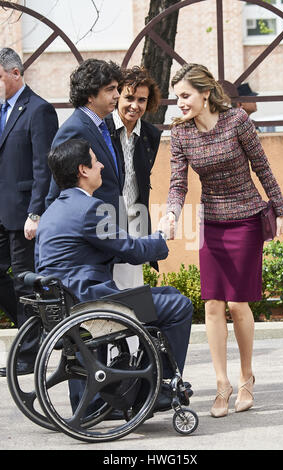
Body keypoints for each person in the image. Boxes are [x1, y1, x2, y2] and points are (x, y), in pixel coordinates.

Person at [161, 63, 283, 417]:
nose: (180, 103)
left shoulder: (236, 122)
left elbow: (262, 166)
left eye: (185, 95)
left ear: (205, 93)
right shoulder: (182, 134)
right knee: (212, 305)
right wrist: (172, 212)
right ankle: (222, 384)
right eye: (177, 97)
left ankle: (247, 378)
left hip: (246, 218)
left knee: (236, 304)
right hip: (212, 222)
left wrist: (279, 210)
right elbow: (177, 183)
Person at [35, 138, 193, 410]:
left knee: (168, 295)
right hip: (93, 307)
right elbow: (129, 249)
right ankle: (151, 391)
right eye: (96, 161)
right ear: (83, 170)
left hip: (69, 304)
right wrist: (161, 238)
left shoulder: (52, 212)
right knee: (179, 305)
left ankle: (102, 400)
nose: (102, 167)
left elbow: (103, 249)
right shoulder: (88, 210)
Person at [0, 48, 58, 377]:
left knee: (24, 283)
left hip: (24, 214)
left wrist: (36, 212)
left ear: (15, 74)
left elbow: (44, 168)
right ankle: (37, 331)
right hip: (0, 211)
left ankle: (29, 353)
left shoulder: (39, 110)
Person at [45, 59, 124, 221]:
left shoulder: (104, 125)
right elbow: (57, 190)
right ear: (90, 96)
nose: (117, 95)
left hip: (111, 222)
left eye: (117, 88)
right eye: (110, 89)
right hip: (88, 226)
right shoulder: (74, 129)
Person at [105, 66, 162, 288]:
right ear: (117, 96)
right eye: (129, 97)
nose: (135, 105)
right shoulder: (102, 128)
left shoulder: (151, 135)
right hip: (106, 217)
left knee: (132, 288)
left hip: (135, 219)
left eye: (142, 100)